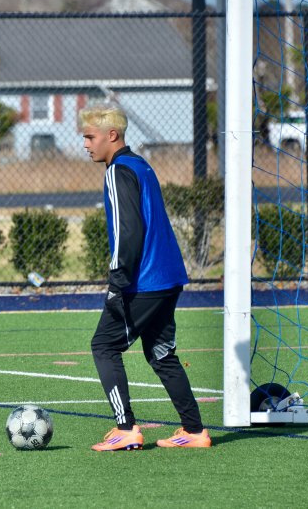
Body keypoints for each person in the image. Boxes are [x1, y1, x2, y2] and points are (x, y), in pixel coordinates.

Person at [79, 104, 211, 451]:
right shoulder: (141, 165)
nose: (85, 144)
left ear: (112, 135)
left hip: (144, 281)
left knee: (104, 346)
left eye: (90, 137)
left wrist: (117, 282)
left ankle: (126, 429)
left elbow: (129, 231)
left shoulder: (118, 170)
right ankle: (194, 432)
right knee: (161, 354)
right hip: (169, 277)